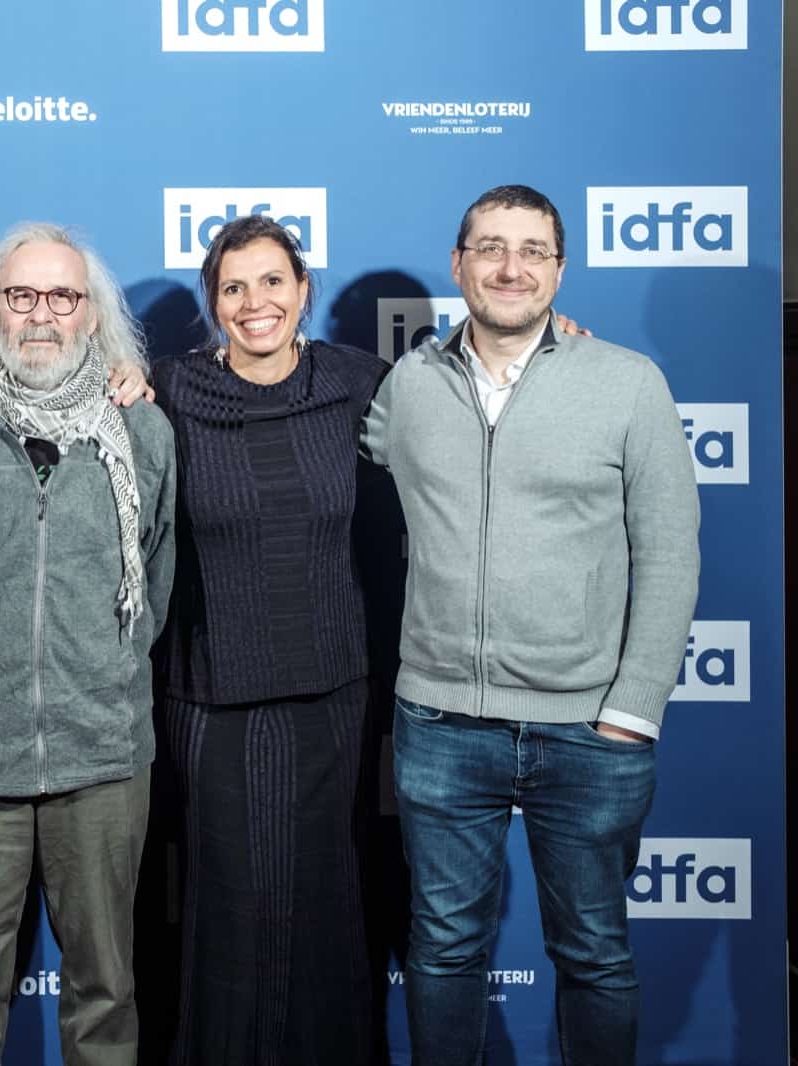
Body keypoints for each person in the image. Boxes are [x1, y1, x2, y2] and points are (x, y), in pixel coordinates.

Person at [363, 184, 700, 1065]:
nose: (510, 267)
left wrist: (631, 711)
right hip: (439, 725)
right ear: (459, 264)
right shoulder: (409, 384)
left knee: (593, 957)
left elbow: (669, 556)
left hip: (589, 731)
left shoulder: (627, 384)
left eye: (532, 251)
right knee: (442, 951)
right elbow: (322, 447)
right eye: (490, 248)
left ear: (558, 269)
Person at [0, 222, 177, 1066]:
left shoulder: (145, 433)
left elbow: (156, 585)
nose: (42, 315)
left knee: (104, 992)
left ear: (91, 315)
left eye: (63, 296)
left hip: (101, 753)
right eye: (21, 296)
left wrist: (97, 674)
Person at [151, 214, 387, 1065]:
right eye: (234, 287)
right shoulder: (165, 390)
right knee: (229, 911)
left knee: (331, 903)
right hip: (213, 701)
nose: (256, 303)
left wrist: (561, 341)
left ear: (304, 291)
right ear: (214, 304)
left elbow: (479, 380)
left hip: (335, 694)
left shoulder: (361, 382)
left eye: (273, 281)